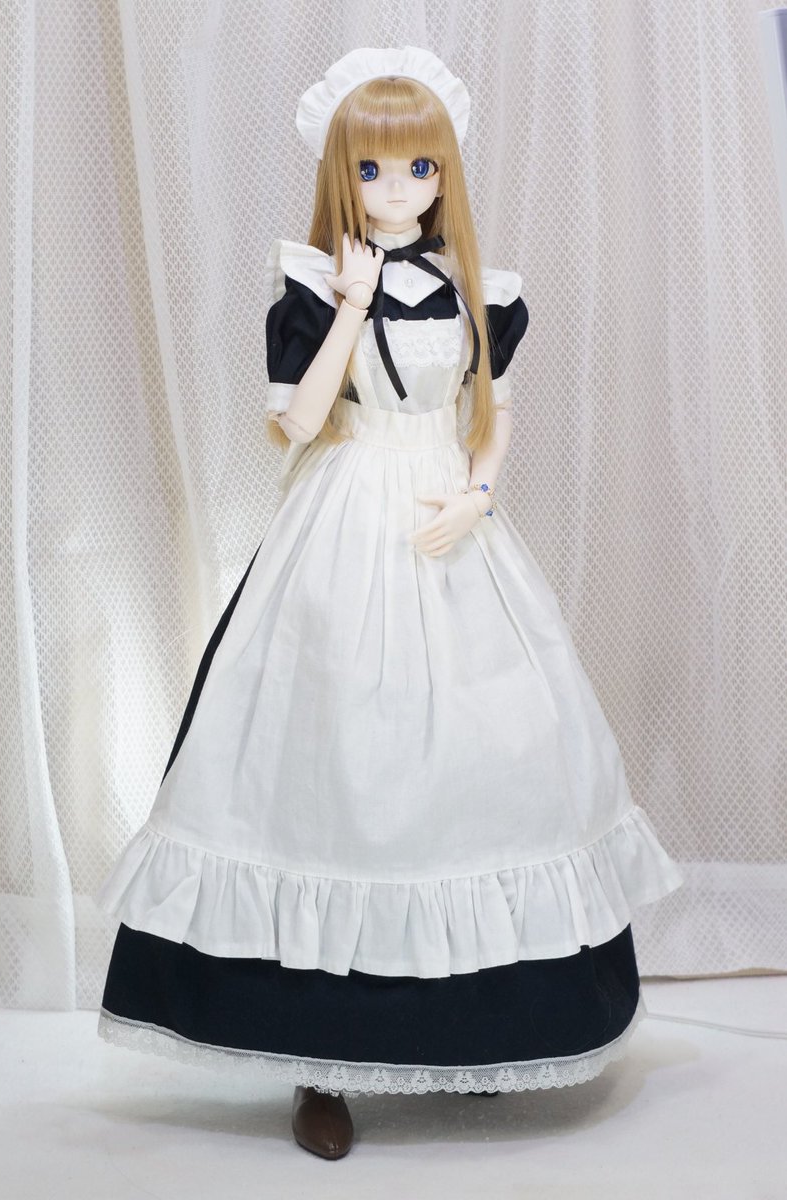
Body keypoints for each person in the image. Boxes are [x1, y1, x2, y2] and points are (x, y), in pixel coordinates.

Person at [93, 45, 684, 1161]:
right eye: (371, 170)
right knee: (332, 779)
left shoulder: (483, 290)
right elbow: (294, 422)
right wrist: (350, 305)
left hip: (449, 522)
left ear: (444, 172)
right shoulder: (312, 286)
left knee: (481, 773)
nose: (397, 188)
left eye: (419, 167)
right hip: (343, 523)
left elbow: (491, 415)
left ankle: (474, 1033)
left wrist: (477, 494)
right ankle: (319, 1057)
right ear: (342, 175)